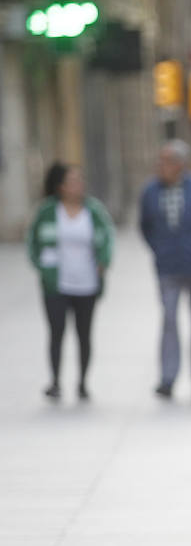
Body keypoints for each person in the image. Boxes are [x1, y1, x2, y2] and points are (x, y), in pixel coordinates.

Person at [25, 162, 115, 401]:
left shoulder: (93, 210)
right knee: (56, 333)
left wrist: (103, 262)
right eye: (72, 181)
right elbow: (32, 241)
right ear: (60, 187)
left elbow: (107, 238)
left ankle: (83, 382)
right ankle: (55, 381)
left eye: (80, 180)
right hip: (56, 283)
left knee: (84, 334)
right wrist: (41, 267)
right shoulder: (47, 211)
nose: (78, 185)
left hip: (86, 282)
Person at [139, 139, 191, 399]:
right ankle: (168, 377)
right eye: (160, 161)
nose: (160, 166)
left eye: (166, 161)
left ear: (180, 164)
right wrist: (160, 248)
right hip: (167, 266)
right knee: (170, 320)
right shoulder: (150, 191)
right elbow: (145, 226)